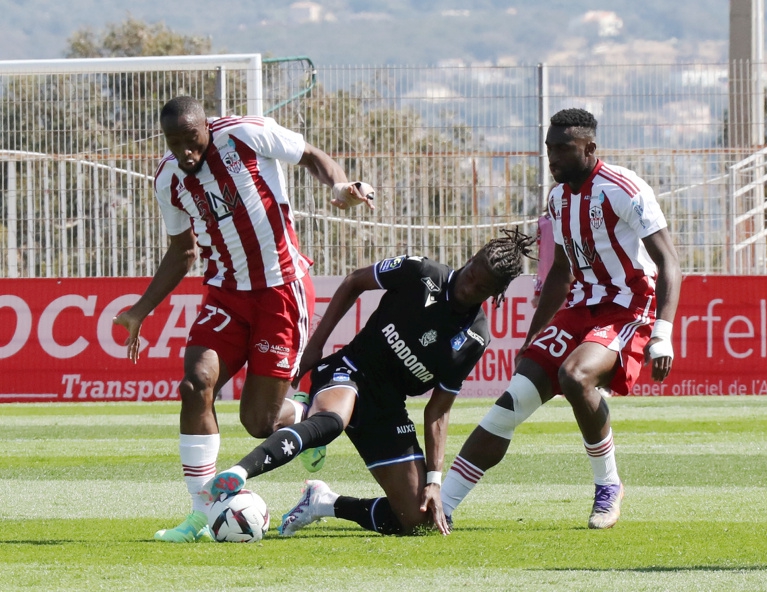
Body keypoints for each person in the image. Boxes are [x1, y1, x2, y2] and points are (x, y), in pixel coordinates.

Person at [112, 95, 375, 543]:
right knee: (195, 385)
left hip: (281, 292)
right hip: (226, 295)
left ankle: (306, 418)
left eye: (191, 140)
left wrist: (339, 187)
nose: (185, 152)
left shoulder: (245, 134)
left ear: (206, 128)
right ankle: (201, 515)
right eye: (174, 143)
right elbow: (183, 252)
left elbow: (311, 155)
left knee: (259, 423)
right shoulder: (169, 179)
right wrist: (140, 310)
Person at [203, 229, 536, 536]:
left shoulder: (475, 338)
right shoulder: (420, 272)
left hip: (387, 407)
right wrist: (316, 346)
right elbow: (353, 282)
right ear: (472, 258)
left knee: (418, 521)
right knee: (332, 420)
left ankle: (322, 501)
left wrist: (434, 482)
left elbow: (438, 410)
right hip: (351, 368)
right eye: (472, 273)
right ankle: (239, 473)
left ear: (496, 293)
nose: (468, 286)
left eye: (480, 287)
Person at [439, 108, 682, 529]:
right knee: (509, 404)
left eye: (563, 148)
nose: (553, 157)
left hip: (629, 305)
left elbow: (669, 262)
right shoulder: (557, 199)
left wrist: (663, 332)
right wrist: (532, 338)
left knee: (574, 376)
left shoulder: (623, 189)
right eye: (549, 148)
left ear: (589, 148)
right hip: (581, 307)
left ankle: (608, 486)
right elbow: (561, 272)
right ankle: (441, 506)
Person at [531, 212, 555, 307]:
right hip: (547, 277)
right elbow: (541, 254)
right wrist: (537, 292)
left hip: (569, 280)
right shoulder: (543, 221)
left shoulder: (573, 216)